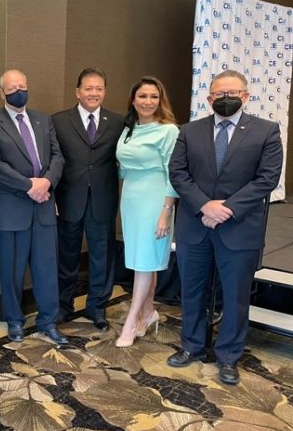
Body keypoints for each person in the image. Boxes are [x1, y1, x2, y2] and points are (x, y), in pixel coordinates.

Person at [167, 70, 283, 385]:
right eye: (220, 94)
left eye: (233, 93)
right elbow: (178, 173)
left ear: (245, 96)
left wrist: (226, 209)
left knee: (235, 296)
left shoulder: (266, 131)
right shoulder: (189, 131)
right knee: (192, 291)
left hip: (240, 227)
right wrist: (205, 206)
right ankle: (191, 346)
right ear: (209, 98)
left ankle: (228, 356)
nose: (226, 98)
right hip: (195, 225)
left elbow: (267, 178)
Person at [0, 69, 67, 344]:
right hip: (11, 210)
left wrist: (46, 183)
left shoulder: (43, 119)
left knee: (46, 270)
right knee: (12, 272)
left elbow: (58, 157)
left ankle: (48, 322)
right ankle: (14, 321)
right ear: (2, 93)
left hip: (43, 207)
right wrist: (30, 186)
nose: (19, 91)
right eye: (12, 88)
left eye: (23, 86)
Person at [51, 68, 124, 330]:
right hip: (68, 199)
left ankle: (97, 307)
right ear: (78, 92)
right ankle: (63, 305)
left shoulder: (118, 122)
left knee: (101, 257)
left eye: (99, 88)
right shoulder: (58, 121)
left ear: (105, 92)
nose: (94, 93)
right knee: (66, 256)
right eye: (88, 88)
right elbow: (51, 160)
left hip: (102, 200)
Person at [114, 76, 179, 347]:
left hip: (155, 201)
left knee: (144, 262)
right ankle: (149, 313)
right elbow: (122, 168)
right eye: (142, 96)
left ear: (161, 100)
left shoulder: (168, 131)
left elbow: (174, 174)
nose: (148, 101)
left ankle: (130, 323)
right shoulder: (129, 129)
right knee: (145, 262)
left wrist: (166, 211)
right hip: (131, 200)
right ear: (133, 100)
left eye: (154, 96)